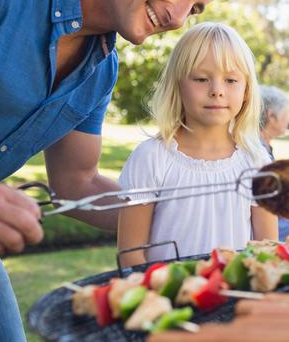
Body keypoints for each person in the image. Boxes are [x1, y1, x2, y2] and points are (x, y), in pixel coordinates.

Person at [0, 0, 237, 340]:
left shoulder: (100, 71)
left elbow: (75, 184)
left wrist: (180, 210)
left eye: (195, 8)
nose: (179, 18)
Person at [117, 22, 278, 267]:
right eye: (201, 79)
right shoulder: (150, 158)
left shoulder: (257, 164)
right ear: (178, 86)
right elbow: (131, 255)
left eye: (231, 80)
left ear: (247, 90)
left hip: (231, 299)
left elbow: (269, 253)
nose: (217, 91)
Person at [259, 85, 289, 241]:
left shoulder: (264, 146)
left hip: (274, 218)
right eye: (286, 113)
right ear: (271, 116)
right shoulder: (259, 151)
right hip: (266, 225)